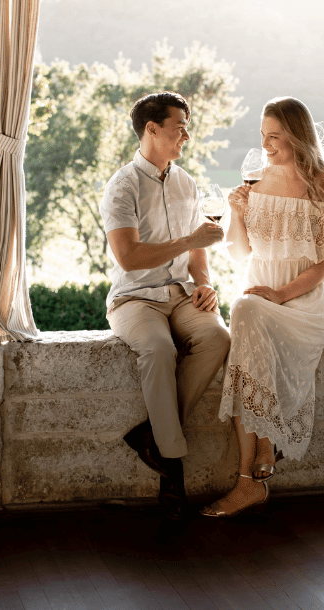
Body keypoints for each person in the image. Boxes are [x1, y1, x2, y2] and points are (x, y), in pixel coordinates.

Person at [200, 96, 324, 518]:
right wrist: (235, 211)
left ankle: (247, 479)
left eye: (275, 137)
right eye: (262, 136)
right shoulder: (255, 182)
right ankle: (255, 463)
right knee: (246, 315)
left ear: (298, 136)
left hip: (303, 301)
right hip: (258, 298)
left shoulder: (323, 185)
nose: (266, 145)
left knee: (246, 316)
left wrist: (282, 295)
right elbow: (240, 253)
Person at [101, 92, 231, 520]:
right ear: (151, 129)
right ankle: (172, 469)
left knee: (217, 337)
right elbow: (130, 258)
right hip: (134, 297)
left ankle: (153, 437)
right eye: (180, 127)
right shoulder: (122, 186)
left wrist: (206, 285)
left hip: (179, 294)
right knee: (158, 351)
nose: (187, 136)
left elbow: (197, 257)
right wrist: (192, 240)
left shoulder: (187, 183)